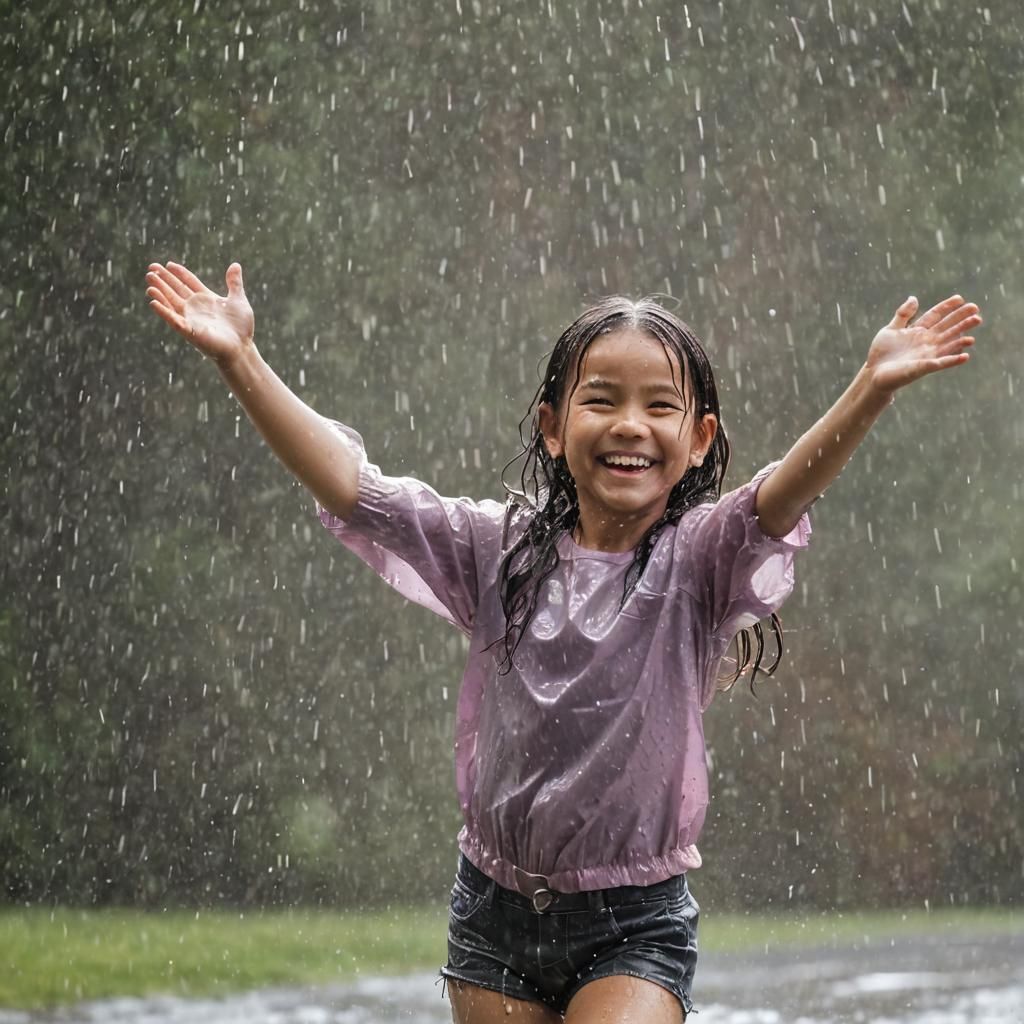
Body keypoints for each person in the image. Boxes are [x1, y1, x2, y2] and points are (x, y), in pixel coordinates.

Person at [145, 261, 980, 1023]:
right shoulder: (493, 551)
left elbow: (778, 498)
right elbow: (358, 491)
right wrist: (242, 361)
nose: (630, 425)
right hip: (494, 911)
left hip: (635, 921)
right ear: (552, 426)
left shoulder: (698, 562)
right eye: (601, 400)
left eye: (660, 406)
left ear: (698, 440)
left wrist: (871, 387)